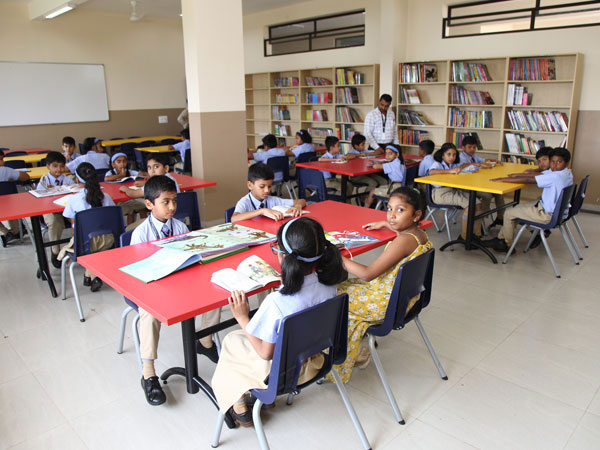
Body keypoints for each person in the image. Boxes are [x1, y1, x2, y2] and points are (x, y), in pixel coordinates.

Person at [212, 217, 347, 426]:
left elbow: (265, 353)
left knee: (232, 340)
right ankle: (263, 401)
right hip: (315, 360)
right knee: (244, 338)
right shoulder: (329, 285)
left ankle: (240, 406)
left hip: (284, 374)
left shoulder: (277, 302)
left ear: (283, 256)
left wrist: (242, 317)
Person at [128, 175, 220, 405]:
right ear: (149, 204)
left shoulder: (180, 226)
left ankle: (205, 341)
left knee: (217, 289)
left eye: (174, 201)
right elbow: (138, 272)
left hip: (181, 281)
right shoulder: (140, 234)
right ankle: (148, 373)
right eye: (166, 202)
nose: (172, 207)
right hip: (152, 287)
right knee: (149, 313)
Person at [331, 187, 433, 383]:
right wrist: (386, 224)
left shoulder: (402, 242)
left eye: (400, 210)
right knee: (343, 286)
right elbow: (404, 231)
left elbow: (367, 274)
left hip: (383, 304)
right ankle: (356, 345)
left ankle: (335, 357)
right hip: (404, 300)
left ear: (416, 215)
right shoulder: (419, 234)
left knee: (331, 294)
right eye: (389, 208)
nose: (392, 215)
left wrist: (337, 257)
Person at [483, 147, 573, 252]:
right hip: (557, 213)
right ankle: (501, 239)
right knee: (517, 208)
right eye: (552, 162)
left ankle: (505, 244)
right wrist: (516, 175)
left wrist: (503, 179)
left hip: (547, 215)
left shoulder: (556, 176)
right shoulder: (566, 173)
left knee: (508, 213)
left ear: (566, 163)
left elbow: (529, 179)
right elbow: (537, 175)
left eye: (559, 162)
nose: (554, 165)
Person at [59, 162, 116, 292]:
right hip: (109, 241)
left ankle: (94, 277)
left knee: (84, 240)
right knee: (92, 241)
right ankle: (88, 276)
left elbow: (73, 225)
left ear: (77, 179)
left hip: (86, 244)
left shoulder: (74, 200)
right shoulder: (106, 197)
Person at [429, 143, 483, 242]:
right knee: (469, 206)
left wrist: (472, 167)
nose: (452, 157)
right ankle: (465, 237)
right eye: (449, 154)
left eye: (454, 155)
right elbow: (432, 172)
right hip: (441, 194)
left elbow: (463, 165)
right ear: (442, 155)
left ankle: (477, 234)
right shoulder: (438, 163)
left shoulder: (453, 164)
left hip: (453, 190)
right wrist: (450, 171)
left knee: (477, 203)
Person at [231, 162, 306, 222]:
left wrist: (298, 206)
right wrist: (262, 211)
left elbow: (302, 201)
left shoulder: (272, 200)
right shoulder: (244, 202)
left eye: (269, 186)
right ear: (250, 185)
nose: (267, 190)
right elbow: (234, 218)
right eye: (262, 186)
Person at [37, 151, 75, 266]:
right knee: (55, 222)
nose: (58, 169)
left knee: (78, 219)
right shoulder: (44, 181)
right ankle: (55, 251)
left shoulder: (68, 180)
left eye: (61, 166)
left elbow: (74, 194)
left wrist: (70, 188)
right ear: (48, 166)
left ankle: (74, 245)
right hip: (50, 210)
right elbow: (39, 197)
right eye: (55, 166)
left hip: (65, 208)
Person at [459, 135, 505, 228]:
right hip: (466, 185)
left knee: (499, 193)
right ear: (463, 148)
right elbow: (463, 166)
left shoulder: (473, 156)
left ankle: (500, 217)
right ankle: (480, 220)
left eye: (474, 147)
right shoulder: (461, 157)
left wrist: (493, 161)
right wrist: (479, 164)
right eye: (469, 147)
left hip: (476, 183)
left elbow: (483, 160)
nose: (472, 149)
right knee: (487, 195)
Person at [105, 153, 147, 225]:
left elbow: (140, 174)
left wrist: (141, 174)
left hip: (129, 197)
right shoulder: (110, 173)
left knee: (141, 208)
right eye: (119, 162)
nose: (122, 164)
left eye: (124, 161)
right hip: (118, 200)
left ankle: (145, 225)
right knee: (133, 210)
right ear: (113, 164)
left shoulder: (129, 171)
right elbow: (106, 178)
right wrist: (120, 175)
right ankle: (129, 227)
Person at [0, 150, 30, 247]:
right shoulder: (5, 171)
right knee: (9, 203)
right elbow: (26, 177)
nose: (3, 162)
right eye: (1, 159)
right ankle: (16, 231)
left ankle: (5, 232)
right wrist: (11, 179)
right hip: (11, 206)